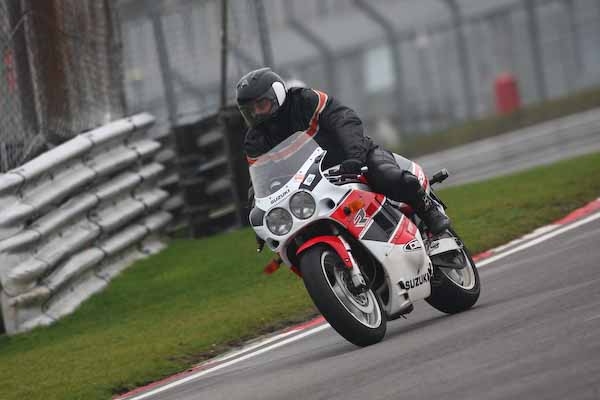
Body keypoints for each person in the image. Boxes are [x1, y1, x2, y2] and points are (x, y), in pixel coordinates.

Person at [237, 67, 450, 235]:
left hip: (353, 161)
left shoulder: (305, 101)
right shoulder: (255, 139)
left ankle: (427, 208)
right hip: (312, 186)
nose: (256, 113)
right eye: (250, 110)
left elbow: (344, 121)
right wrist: (259, 211)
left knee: (388, 177)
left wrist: (355, 158)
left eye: (261, 105)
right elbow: (259, 179)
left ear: (276, 95)